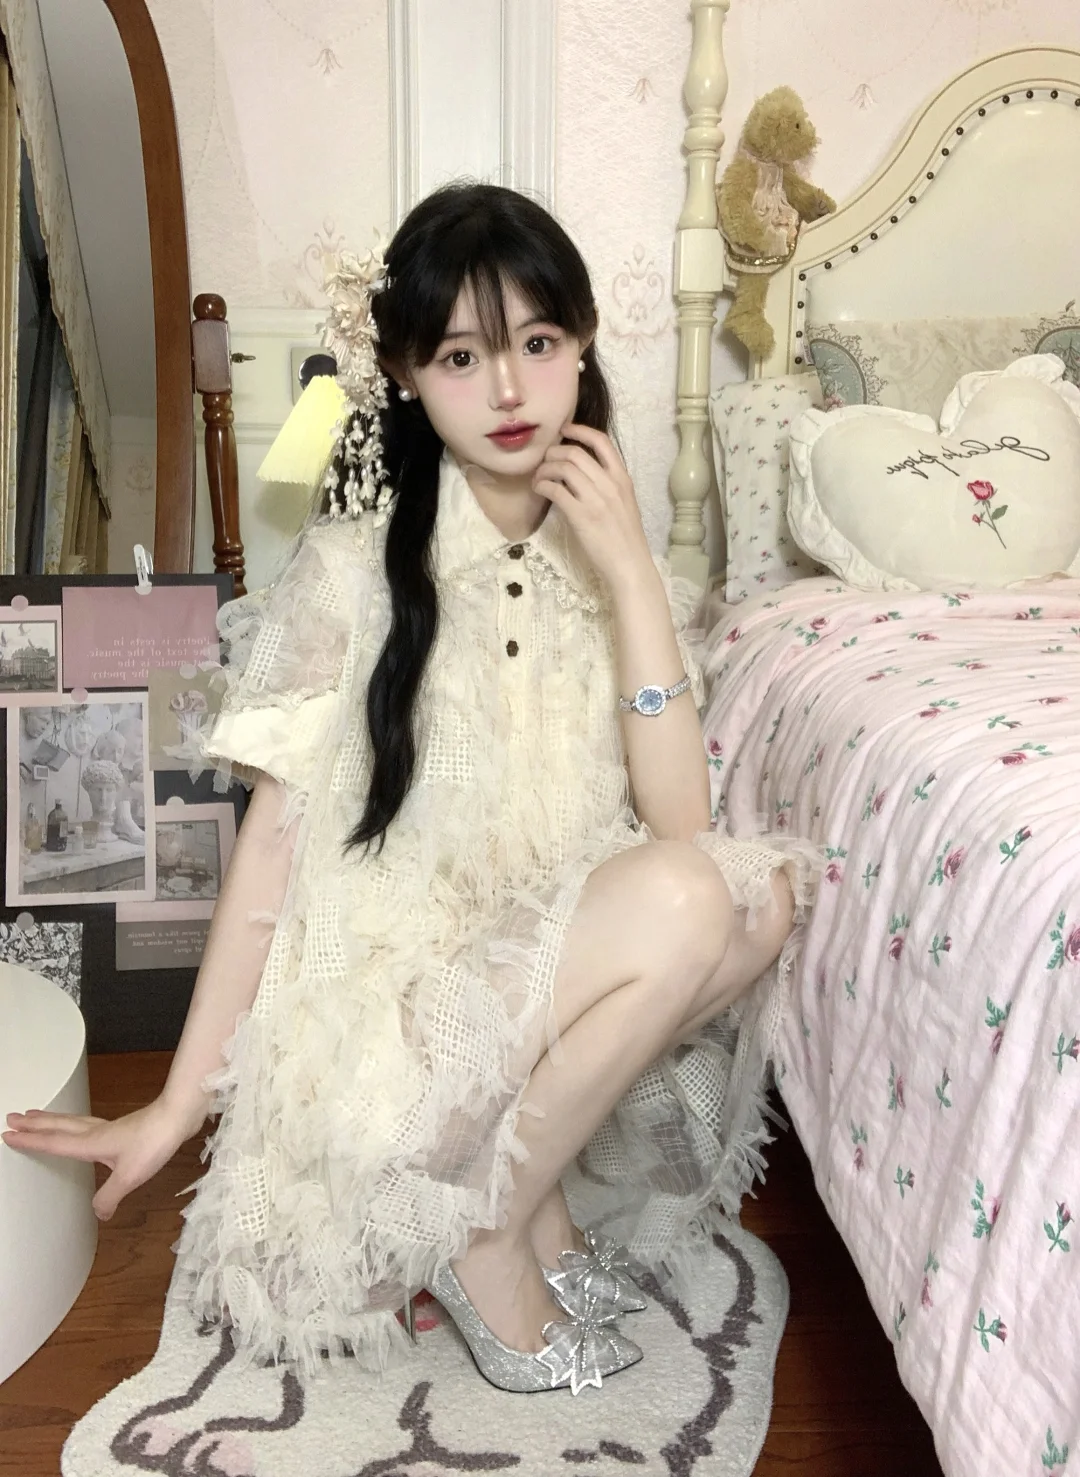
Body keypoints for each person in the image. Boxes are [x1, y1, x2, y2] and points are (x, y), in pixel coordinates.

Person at [3, 183, 816, 1397]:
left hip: (516, 1006)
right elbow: (268, 860)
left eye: (539, 341)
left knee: (755, 898)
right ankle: (485, 1232)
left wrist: (633, 575)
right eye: (462, 357)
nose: (510, 390)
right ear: (407, 375)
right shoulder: (349, 572)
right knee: (696, 898)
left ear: (583, 344)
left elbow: (682, 824)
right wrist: (174, 1104)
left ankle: (508, 1203)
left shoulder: (604, 565)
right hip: (387, 1049)